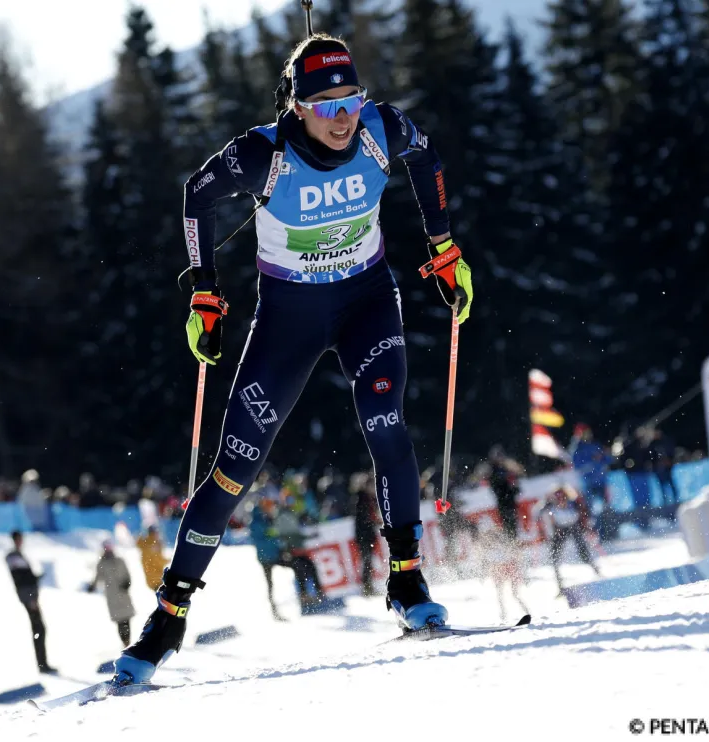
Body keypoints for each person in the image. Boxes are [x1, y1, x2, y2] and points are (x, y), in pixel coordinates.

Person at [111, 32, 474, 685]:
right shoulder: (264, 155)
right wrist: (203, 291)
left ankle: (405, 578)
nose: (342, 117)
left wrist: (442, 248)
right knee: (233, 467)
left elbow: (428, 158)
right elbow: (196, 194)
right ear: (297, 105)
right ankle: (168, 613)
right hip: (288, 319)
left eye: (350, 99)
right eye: (325, 103)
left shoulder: (378, 129)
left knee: (385, 423)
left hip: (366, 301)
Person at [5, 531, 57, 674]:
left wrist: (36, 578)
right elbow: (22, 580)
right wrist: (30, 598)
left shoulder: (18, 555)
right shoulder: (13, 556)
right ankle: (42, 665)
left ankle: (43, 663)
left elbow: (27, 577)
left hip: (31, 595)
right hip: (28, 597)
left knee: (39, 628)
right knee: (38, 628)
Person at [541, 486, 602, 596]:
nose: (561, 500)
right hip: (560, 529)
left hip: (573, 527)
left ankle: (596, 569)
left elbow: (585, 514)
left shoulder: (574, 503)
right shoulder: (550, 506)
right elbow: (539, 513)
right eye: (558, 497)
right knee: (554, 557)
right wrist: (545, 501)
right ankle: (559, 585)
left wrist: (588, 527)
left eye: (562, 497)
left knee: (583, 550)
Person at [86, 541, 137, 646]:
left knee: (126, 620)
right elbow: (98, 577)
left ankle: (128, 642)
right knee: (120, 622)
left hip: (123, 594)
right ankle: (125, 643)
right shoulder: (102, 564)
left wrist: (127, 583)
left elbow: (127, 575)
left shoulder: (119, 561)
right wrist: (92, 586)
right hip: (112, 596)